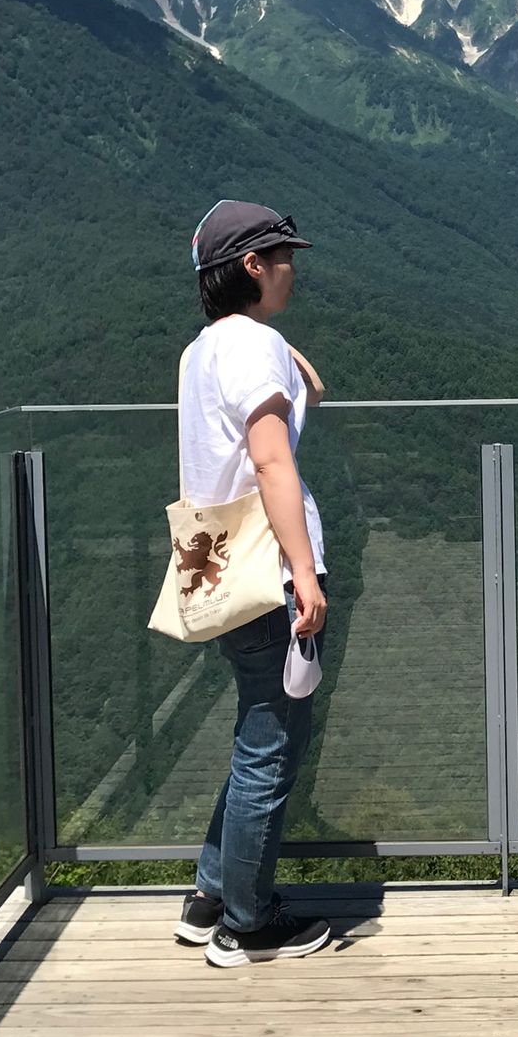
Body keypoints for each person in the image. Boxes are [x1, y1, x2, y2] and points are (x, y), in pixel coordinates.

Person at [172, 199, 333, 968]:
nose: (293, 269)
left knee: (254, 734)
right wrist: (303, 571)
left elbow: (310, 393)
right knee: (272, 744)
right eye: (284, 256)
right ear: (252, 266)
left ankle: (210, 895)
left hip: (214, 559)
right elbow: (271, 461)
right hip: (267, 569)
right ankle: (247, 923)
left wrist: (274, 342)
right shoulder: (253, 346)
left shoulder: (202, 350)